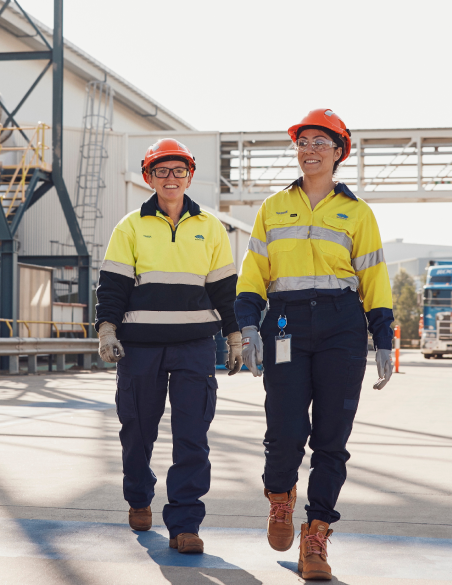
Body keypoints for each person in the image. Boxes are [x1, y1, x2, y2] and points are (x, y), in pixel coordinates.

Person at [235, 108, 394, 580]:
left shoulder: (357, 212)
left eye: (320, 143)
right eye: (303, 142)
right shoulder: (272, 207)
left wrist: (382, 338)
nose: (309, 150)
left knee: (331, 435)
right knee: (285, 425)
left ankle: (317, 534)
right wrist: (247, 326)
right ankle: (280, 496)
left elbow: (374, 276)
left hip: (342, 326)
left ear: (339, 152)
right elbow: (253, 273)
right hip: (283, 322)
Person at [95, 138, 244, 555]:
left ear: (190, 176)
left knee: (192, 435)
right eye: (161, 170)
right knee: (137, 431)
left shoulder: (210, 227)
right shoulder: (130, 226)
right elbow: (113, 287)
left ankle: (185, 522)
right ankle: (139, 496)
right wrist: (107, 329)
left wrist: (234, 337)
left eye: (178, 170)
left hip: (195, 345)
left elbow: (225, 292)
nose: (171, 178)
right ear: (149, 177)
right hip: (140, 347)